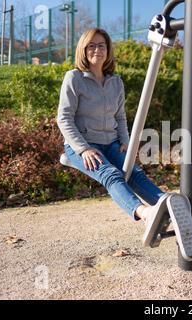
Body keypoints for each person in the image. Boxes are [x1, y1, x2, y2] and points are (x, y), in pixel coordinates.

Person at [57, 28, 166, 224]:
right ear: (83, 49)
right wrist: (83, 149)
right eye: (91, 45)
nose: (97, 50)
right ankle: (146, 214)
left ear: (107, 50)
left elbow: (121, 117)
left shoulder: (116, 82)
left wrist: (125, 141)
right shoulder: (74, 78)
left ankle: (166, 206)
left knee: (134, 173)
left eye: (101, 45)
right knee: (112, 174)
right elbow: (64, 118)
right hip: (83, 145)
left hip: (111, 142)